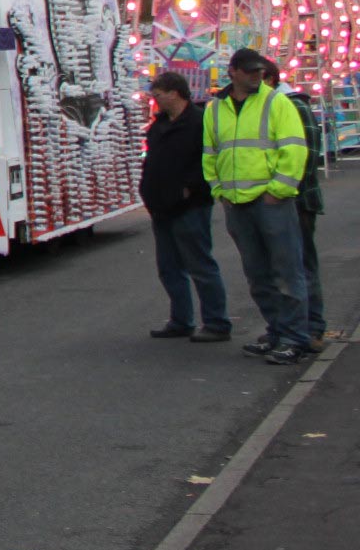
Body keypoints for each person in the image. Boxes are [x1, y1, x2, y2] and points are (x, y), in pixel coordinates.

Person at [202, 47, 311, 366]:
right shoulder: (215, 109)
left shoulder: (276, 102)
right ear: (233, 72)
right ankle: (277, 332)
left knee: (286, 271)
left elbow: (294, 149)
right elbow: (210, 152)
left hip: (270, 201)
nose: (256, 76)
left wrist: (279, 190)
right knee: (258, 274)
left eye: (259, 71)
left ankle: (294, 338)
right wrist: (219, 190)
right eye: (250, 71)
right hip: (238, 203)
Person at [141, 71, 229, 342]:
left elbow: (208, 161)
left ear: (174, 93)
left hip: (191, 206)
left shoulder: (199, 122)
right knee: (169, 268)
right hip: (161, 207)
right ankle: (181, 320)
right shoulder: (159, 125)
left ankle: (216, 323)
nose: (155, 100)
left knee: (200, 265)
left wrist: (189, 189)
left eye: (158, 95)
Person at [265, 62, 330, 352]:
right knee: (280, 268)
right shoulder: (270, 105)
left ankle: (312, 328)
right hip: (277, 199)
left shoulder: (293, 105)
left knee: (301, 265)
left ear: (268, 78)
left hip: (298, 201)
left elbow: (309, 155)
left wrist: (285, 190)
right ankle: (287, 328)